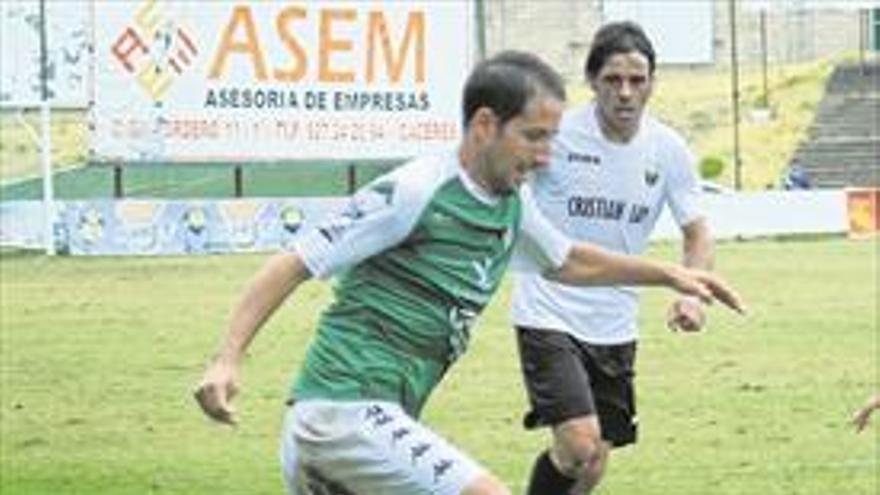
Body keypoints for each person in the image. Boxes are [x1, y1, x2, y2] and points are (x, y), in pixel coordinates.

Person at [194, 50, 744, 495]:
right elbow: (294, 262)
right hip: (341, 412)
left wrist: (672, 275)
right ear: (485, 125)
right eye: (534, 136)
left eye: (552, 138)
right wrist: (226, 360)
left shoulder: (511, 204)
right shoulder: (417, 190)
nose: (547, 155)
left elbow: (569, 261)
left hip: (377, 423)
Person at [511, 22, 718, 494]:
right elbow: (508, 188)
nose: (625, 93)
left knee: (594, 460)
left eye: (637, 81)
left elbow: (698, 232)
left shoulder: (668, 150)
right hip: (548, 312)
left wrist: (695, 294)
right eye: (613, 80)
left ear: (652, 83)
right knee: (579, 444)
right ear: (591, 81)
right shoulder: (557, 134)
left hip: (615, 323)